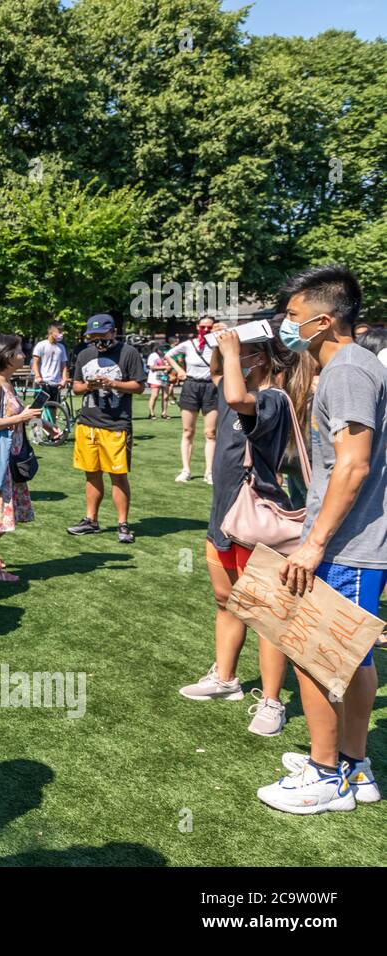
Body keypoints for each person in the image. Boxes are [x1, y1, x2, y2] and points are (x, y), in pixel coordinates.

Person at [258, 265, 385, 814]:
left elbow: (353, 466)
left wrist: (314, 544)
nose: (286, 326)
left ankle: (325, 773)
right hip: (352, 543)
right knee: (352, 660)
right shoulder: (348, 365)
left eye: (292, 316)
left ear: (323, 320)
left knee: (316, 655)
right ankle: (354, 767)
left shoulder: (348, 371)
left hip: (348, 546)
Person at [178, 328, 310, 736]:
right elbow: (222, 380)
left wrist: (233, 352)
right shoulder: (230, 386)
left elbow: (236, 396)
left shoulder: (272, 400)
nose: (235, 359)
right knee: (227, 601)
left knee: (268, 616)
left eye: (246, 354)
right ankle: (226, 679)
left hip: (256, 523)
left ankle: (272, 700)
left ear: (264, 360)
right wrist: (223, 346)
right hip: (222, 517)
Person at [67, 313, 146, 544]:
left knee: (118, 476)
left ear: (113, 332)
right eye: (93, 336)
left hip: (117, 424)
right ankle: (91, 520)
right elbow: (76, 387)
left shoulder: (128, 353)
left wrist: (113, 384)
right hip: (88, 423)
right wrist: (89, 385)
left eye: (102, 335)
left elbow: (139, 387)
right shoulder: (84, 354)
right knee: (91, 474)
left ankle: (123, 524)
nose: (98, 340)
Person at [0, 336, 42, 582]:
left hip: (11, 461)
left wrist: (40, 422)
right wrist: (20, 418)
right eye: (19, 351)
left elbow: (17, 415)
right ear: (7, 356)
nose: (24, 355)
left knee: (3, 515)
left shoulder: (6, 383)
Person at [165, 316, 218, 483]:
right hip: (191, 386)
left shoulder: (218, 344)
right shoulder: (189, 345)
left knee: (210, 433)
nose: (206, 330)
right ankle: (186, 469)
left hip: (211, 387)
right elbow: (169, 355)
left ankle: (209, 472)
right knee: (188, 431)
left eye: (209, 327)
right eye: (203, 327)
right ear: (197, 327)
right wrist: (180, 370)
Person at [30, 322, 70, 405]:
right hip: (43, 382)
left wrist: (64, 379)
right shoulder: (41, 345)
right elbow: (35, 362)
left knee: (53, 408)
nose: (61, 334)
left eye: (62, 332)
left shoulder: (61, 347)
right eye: (59, 332)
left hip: (56, 383)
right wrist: (37, 376)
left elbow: (64, 365)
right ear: (51, 332)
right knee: (38, 408)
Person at [145, 346, 171, 419]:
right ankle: (151, 413)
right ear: (158, 349)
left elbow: (170, 365)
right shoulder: (153, 355)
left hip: (164, 377)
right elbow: (152, 367)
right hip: (154, 378)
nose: (163, 352)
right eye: (162, 350)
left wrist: (168, 369)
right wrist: (164, 367)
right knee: (155, 396)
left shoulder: (167, 355)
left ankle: (164, 413)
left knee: (166, 396)